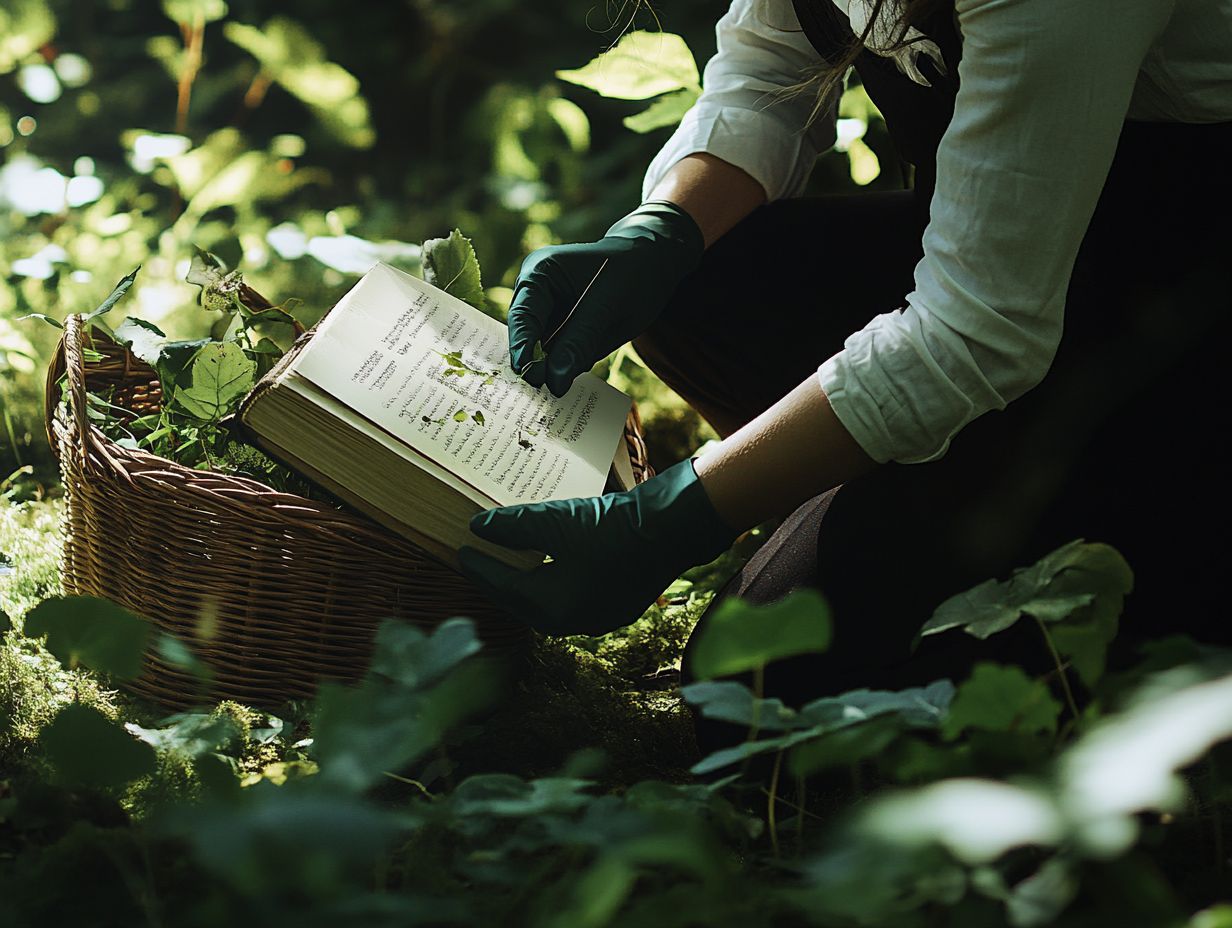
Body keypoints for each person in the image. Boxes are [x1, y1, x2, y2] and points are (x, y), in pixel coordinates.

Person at [457, 0, 1232, 702]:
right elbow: (767, 69)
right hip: (1039, 266)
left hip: (1170, 349)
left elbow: (979, 332)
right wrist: (660, 230)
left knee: (757, 690)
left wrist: (673, 518)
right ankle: (896, 502)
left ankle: (1124, 566)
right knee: (694, 283)